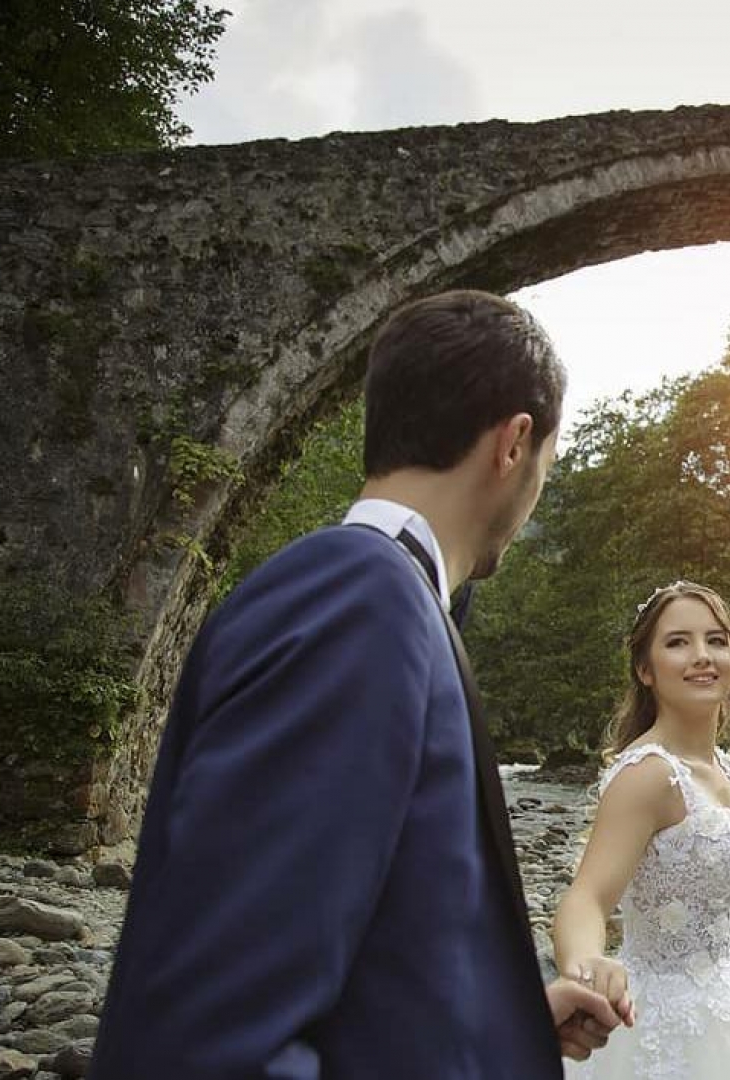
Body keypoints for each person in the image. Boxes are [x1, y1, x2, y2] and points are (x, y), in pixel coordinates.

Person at [91, 290, 631, 1080]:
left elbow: (352, 936)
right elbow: (218, 1041)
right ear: (515, 443)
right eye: (548, 462)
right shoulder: (358, 594)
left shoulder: (374, 595)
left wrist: (494, 1023)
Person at [553, 581, 730, 1079]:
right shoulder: (649, 775)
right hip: (662, 1015)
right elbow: (586, 898)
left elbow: (723, 893)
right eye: (678, 642)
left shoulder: (725, 768)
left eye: (716, 640)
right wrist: (586, 970)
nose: (702, 655)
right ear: (645, 669)